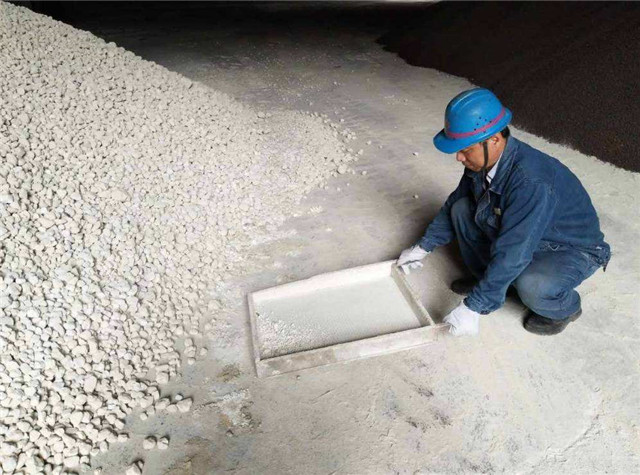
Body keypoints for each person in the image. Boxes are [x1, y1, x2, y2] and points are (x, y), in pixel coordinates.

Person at [397, 88, 610, 336]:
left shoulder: (531, 182)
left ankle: (564, 309)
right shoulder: (482, 161)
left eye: (465, 149)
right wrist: (423, 247)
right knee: (461, 209)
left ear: (495, 140)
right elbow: (455, 200)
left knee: (533, 285)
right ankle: (492, 281)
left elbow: (514, 249)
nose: (459, 157)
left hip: (566, 247)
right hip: (528, 234)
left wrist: (474, 307)